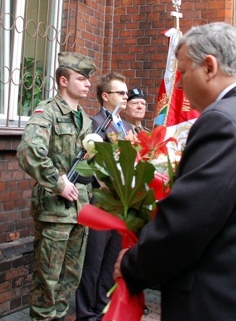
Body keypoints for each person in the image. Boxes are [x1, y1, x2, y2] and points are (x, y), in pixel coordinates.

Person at [113, 22, 236, 320]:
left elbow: (187, 223)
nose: (178, 85)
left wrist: (131, 264)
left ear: (210, 67)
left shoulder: (223, 121)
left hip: (216, 302)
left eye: (184, 72)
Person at [17, 52, 97, 321]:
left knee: (69, 279)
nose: (87, 84)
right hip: (54, 210)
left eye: (88, 80)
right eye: (81, 79)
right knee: (48, 281)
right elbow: (29, 150)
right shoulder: (48, 111)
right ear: (63, 80)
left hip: (80, 209)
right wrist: (57, 182)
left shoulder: (84, 118)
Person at [76, 72, 128, 321]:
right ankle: (86, 313)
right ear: (105, 96)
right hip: (100, 200)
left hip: (121, 201)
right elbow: (85, 165)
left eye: (127, 92)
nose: (126, 97)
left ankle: (103, 308)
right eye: (121, 93)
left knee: (111, 260)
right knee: (93, 259)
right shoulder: (93, 124)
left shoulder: (125, 127)